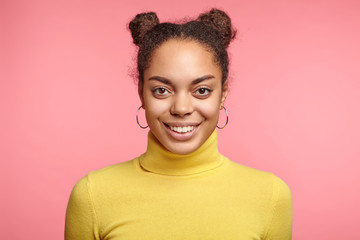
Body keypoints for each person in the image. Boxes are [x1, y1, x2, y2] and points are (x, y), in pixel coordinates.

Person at [65, 8, 292, 240]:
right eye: (161, 90)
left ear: (222, 94)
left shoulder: (271, 196)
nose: (181, 108)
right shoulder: (92, 196)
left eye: (201, 90)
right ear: (141, 93)